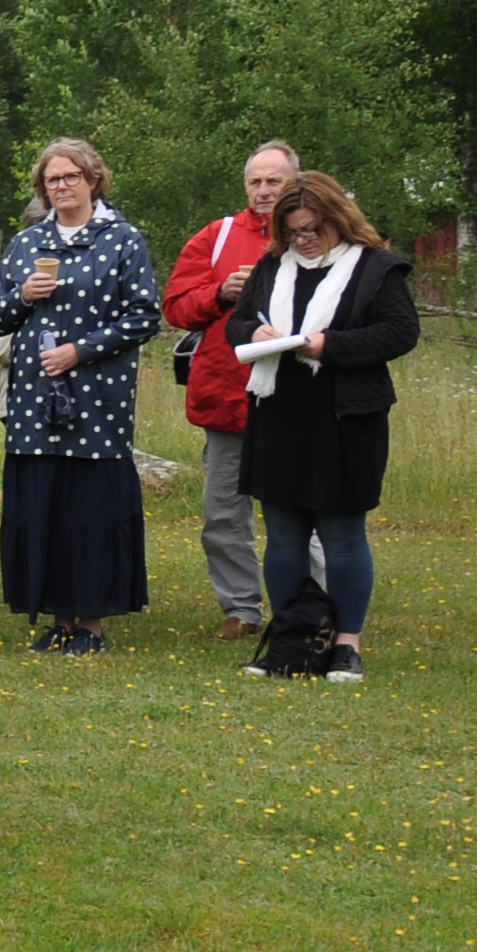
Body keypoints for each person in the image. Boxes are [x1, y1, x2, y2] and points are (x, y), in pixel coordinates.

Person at [235, 170, 420, 682]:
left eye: (312, 228)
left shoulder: (376, 269)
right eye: (293, 230)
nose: (303, 239)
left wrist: (328, 346)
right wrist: (258, 330)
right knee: (284, 537)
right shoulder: (272, 268)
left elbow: (401, 334)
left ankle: (345, 644)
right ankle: (292, 637)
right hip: (278, 413)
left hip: (345, 417)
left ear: (337, 219)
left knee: (341, 536)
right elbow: (237, 323)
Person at [0, 137, 160, 655]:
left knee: (89, 511)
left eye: (70, 177)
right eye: (51, 180)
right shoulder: (26, 245)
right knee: (44, 507)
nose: (61, 187)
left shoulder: (122, 239)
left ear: (93, 180)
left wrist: (80, 351)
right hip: (34, 405)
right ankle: (58, 619)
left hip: (97, 401)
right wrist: (21, 297)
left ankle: (92, 625)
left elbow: (145, 315)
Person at [164, 140, 300, 639]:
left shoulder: (317, 233)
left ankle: (308, 607)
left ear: (294, 183)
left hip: (298, 399)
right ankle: (242, 609)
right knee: (223, 515)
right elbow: (176, 305)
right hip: (227, 397)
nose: (264, 191)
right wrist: (219, 293)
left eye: (275, 181)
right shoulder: (217, 237)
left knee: (301, 511)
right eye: (256, 181)